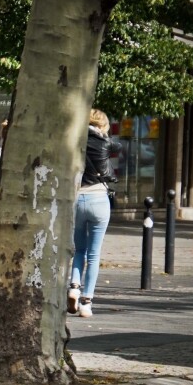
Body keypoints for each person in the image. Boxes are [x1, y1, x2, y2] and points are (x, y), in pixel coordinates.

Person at [69, 109, 114, 318]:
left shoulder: (75, 138)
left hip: (78, 198)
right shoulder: (104, 143)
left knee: (79, 250)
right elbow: (106, 172)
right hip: (98, 199)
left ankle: (74, 288)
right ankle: (86, 302)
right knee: (94, 255)